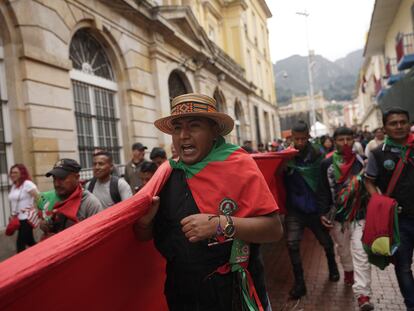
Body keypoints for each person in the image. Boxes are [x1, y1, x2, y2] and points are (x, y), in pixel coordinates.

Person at [134, 93, 283, 311]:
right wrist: (145, 222)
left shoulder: (240, 166)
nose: (183, 136)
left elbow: (273, 229)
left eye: (194, 126)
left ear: (214, 131)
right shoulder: (165, 174)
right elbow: (143, 236)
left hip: (236, 296)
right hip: (183, 296)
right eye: (177, 128)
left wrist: (219, 224)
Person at [318, 127, 374, 311]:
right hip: (337, 218)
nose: (345, 143)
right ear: (335, 141)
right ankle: (348, 271)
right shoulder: (326, 164)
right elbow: (323, 192)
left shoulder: (362, 161)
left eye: (348, 139)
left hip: (360, 216)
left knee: (361, 252)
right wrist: (323, 213)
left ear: (353, 140)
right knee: (343, 250)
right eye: (341, 139)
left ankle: (363, 295)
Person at [282, 122, 339, 299]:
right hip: (295, 208)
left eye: (302, 138)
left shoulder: (318, 154)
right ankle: (300, 284)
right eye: (296, 139)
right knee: (292, 244)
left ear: (308, 136)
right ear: (291, 137)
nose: (299, 142)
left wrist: (326, 208)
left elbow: (324, 182)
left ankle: (333, 266)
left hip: (315, 208)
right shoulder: (285, 155)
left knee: (326, 243)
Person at [365, 108, 414, 310]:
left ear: (409, 124)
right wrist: (379, 202)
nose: (399, 126)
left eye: (403, 122)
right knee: (403, 266)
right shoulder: (377, 154)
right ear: (385, 128)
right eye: (393, 123)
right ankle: (411, 304)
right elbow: (369, 181)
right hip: (399, 220)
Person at [40, 159, 102, 235]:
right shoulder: (52, 199)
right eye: (54, 179)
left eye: (62, 179)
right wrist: (45, 225)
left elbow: (98, 236)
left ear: (77, 177)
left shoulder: (90, 203)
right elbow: (47, 220)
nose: (56, 184)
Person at [8, 164, 39, 253]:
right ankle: (43, 253)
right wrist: (13, 214)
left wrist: (38, 210)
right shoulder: (14, 186)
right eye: (11, 172)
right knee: (30, 242)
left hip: (27, 219)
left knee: (20, 245)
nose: (12, 174)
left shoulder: (27, 184)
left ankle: (19, 265)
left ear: (22, 173)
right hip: (18, 220)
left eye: (15, 172)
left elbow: (39, 198)